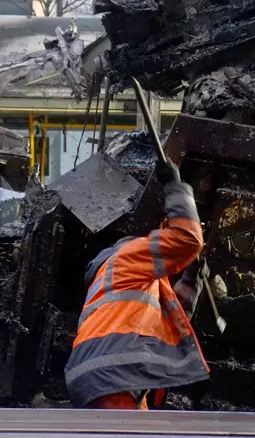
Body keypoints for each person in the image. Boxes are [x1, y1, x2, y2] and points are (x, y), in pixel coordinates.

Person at [65, 158, 210, 410]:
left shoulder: (123, 281)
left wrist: (191, 279)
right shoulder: (128, 256)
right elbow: (188, 239)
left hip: (107, 374)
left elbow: (168, 322)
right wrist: (175, 186)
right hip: (113, 372)